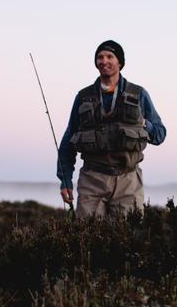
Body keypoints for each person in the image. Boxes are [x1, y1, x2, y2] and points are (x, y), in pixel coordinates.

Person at [57, 40, 166, 218]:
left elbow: (160, 135)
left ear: (120, 62)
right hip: (91, 180)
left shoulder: (139, 94)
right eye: (100, 57)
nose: (104, 61)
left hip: (128, 180)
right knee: (88, 238)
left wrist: (144, 123)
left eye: (110, 56)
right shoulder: (83, 97)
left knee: (129, 239)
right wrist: (65, 180)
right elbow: (68, 142)